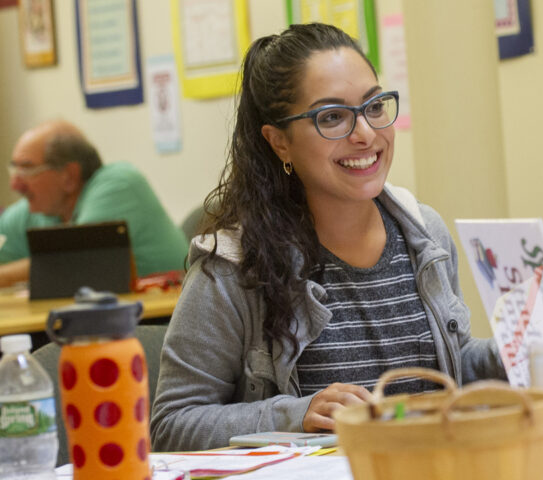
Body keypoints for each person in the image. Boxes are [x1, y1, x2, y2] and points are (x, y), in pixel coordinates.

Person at [150, 23, 505, 452]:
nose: (366, 134)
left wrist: (514, 353)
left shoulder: (424, 233)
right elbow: (172, 425)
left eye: (374, 106)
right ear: (279, 141)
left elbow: (447, 370)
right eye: (332, 117)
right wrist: (296, 414)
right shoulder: (232, 268)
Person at [0, 121, 188, 286]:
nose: (15, 184)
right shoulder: (40, 208)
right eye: (14, 171)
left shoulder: (118, 183)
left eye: (27, 169)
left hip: (160, 321)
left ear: (69, 176)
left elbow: (75, 259)